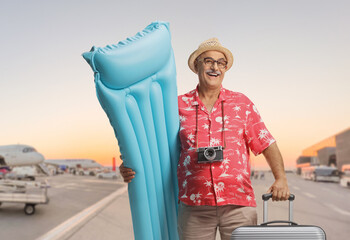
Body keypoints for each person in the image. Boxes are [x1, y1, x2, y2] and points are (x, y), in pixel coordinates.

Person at [119, 38, 289, 240]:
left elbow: (266, 141)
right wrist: (129, 162)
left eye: (220, 63)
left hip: (238, 204)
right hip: (193, 206)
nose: (214, 67)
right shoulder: (177, 105)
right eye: (208, 61)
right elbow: (151, 140)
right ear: (196, 66)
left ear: (225, 68)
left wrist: (281, 178)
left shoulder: (242, 103)